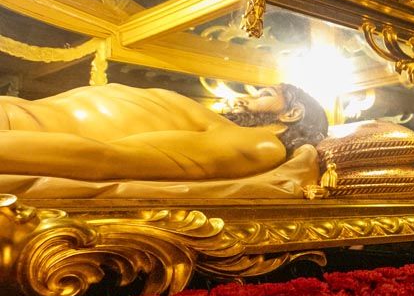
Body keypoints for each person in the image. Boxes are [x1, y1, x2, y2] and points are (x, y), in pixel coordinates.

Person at [0, 82, 327, 182]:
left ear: (292, 112)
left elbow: (108, 158)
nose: (247, 93)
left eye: (264, 94)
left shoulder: (260, 144)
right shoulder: (220, 126)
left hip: (17, 129)